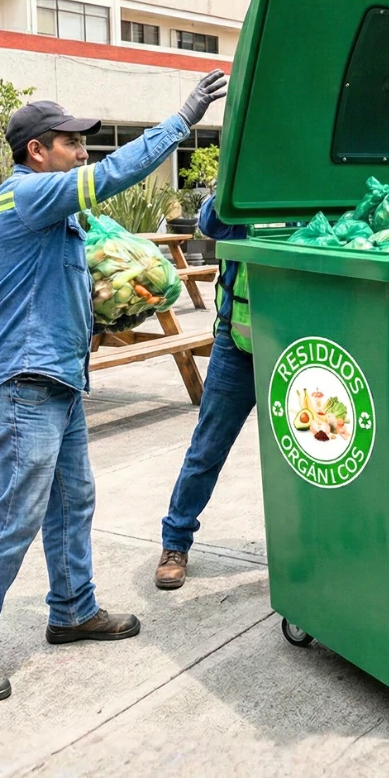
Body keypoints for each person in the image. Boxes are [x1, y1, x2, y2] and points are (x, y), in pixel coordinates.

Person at [0, 70, 228, 702]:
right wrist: (180, 123)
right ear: (38, 150)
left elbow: (59, 288)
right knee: (15, 515)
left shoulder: (51, 214)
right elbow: (114, 175)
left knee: (73, 502)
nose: (80, 149)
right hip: (22, 385)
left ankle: (72, 609)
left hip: (57, 381)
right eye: (69, 141)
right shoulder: (25, 194)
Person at [155, 196, 252, 588]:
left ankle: (311, 546)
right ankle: (175, 541)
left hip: (298, 341)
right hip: (239, 344)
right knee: (207, 448)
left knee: (311, 451)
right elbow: (212, 223)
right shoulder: (248, 193)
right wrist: (235, 181)